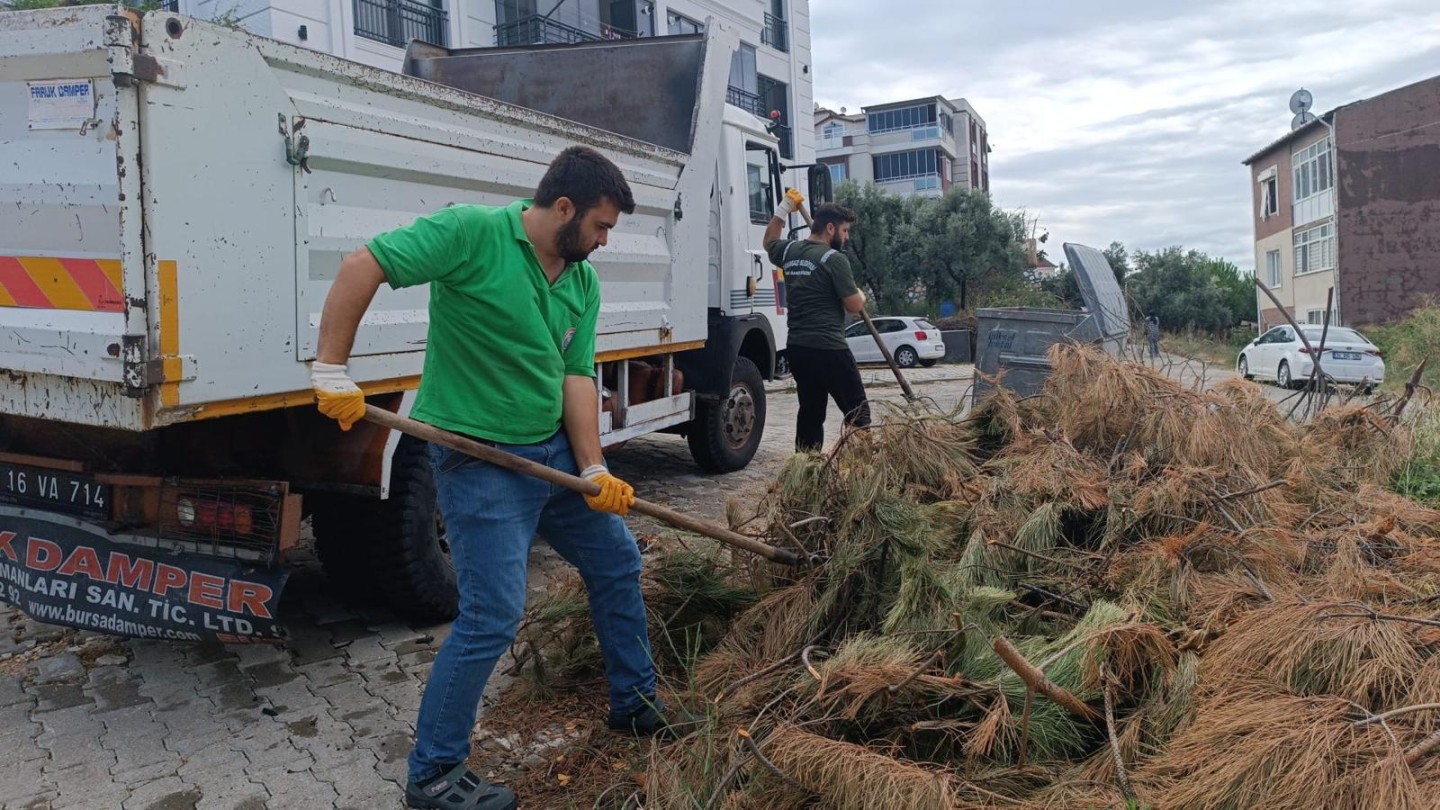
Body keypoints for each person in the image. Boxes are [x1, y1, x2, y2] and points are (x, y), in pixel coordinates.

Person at [309, 146, 678, 810]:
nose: (602, 241)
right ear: (563, 207)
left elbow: (575, 377)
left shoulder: (580, 281)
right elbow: (363, 264)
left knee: (618, 560)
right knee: (493, 614)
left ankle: (636, 701)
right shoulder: (472, 234)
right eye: (599, 226)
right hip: (479, 461)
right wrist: (331, 368)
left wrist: (592, 465)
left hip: (552, 457)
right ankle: (433, 771)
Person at [762, 192, 870, 452]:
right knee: (858, 412)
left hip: (799, 349)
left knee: (811, 413)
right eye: (844, 231)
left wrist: (784, 208)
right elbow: (854, 306)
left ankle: (806, 470)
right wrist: (862, 294)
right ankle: (862, 473)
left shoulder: (789, 251)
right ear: (830, 228)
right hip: (830, 349)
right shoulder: (834, 260)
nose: (846, 237)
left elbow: (769, 241)